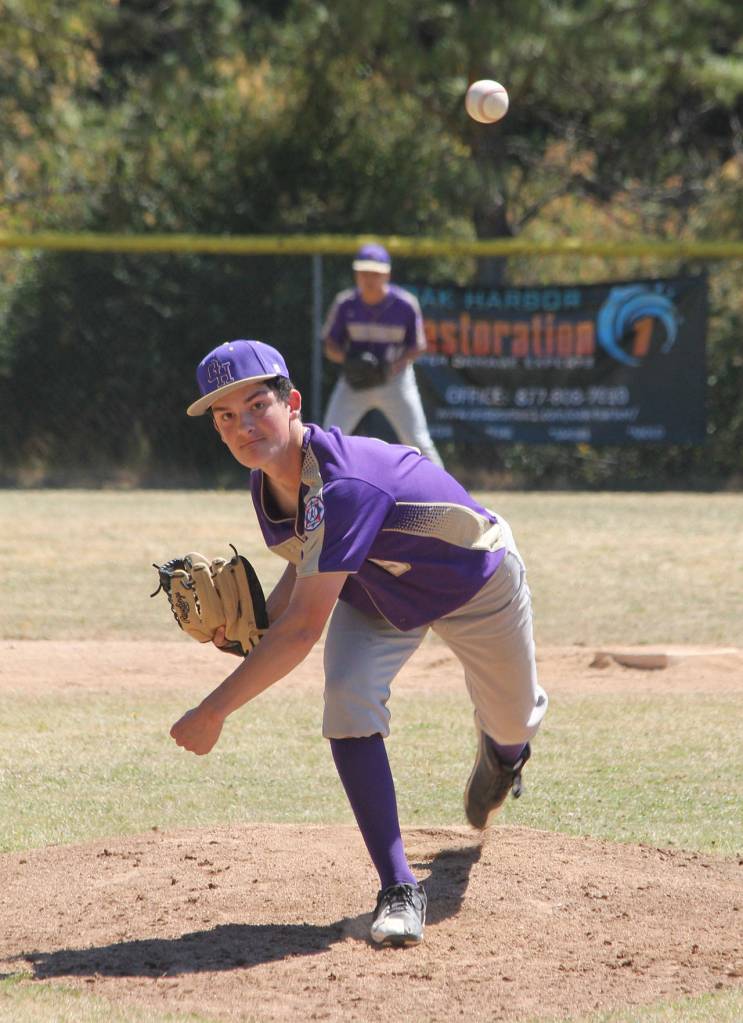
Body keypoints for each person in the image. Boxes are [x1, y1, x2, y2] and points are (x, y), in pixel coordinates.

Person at [171, 338, 548, 948]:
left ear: (292, 403)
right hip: (374, 596)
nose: (243, 425)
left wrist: (214, 710)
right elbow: (307, 562)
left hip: (472, 582)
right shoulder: (268, 483)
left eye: (256, 404)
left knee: (511, 721)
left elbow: (301, 629)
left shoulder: (343, 483)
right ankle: (400, 886)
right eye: (225, 416)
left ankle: (504, 756)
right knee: (348, 698)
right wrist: (246, 630)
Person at [322, 242, 444, 467]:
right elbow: (330, 344)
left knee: (418, 440)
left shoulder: (405, 304)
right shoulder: (345, 303)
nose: (368, 278)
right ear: (356, 274)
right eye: (363, 272)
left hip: (395, 382)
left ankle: (447, 496)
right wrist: (348, 361)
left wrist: (390, 368)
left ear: (386, 274)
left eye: (374, 273)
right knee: (328, 438)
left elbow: (418, 346)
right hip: (354, 382)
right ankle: (313, 493)